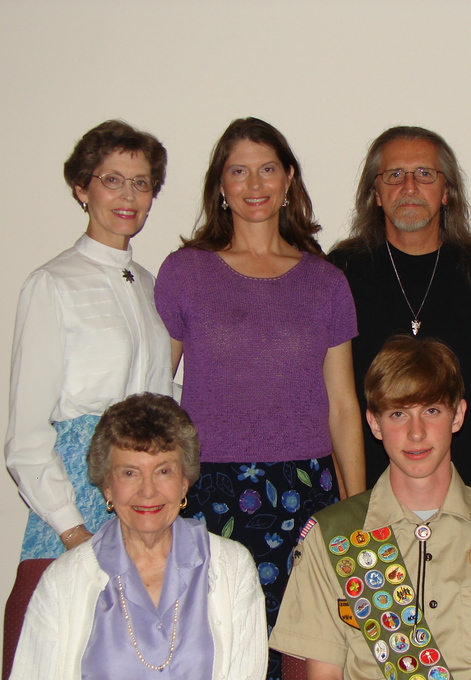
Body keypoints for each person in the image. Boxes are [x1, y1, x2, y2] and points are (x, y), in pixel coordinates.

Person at [154, 117, 365, 680]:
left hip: (305, 490)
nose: (254, 183)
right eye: (238, 171)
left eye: (267, 168)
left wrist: (360, 504)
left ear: (289, 178)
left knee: (307, 649)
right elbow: (155, 398)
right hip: (207, 491)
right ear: (219, 186)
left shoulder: (325, 281)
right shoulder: (184, 273)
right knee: (217, 647)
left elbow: (342, 406)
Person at [269, 336, 471, 680]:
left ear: (458, 415)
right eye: (398, 414)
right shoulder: (332, 537)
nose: (415, 433)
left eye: (431, 411)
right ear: (374, 423)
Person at [6, 120, 173, 561]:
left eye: (141, 183)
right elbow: (26, 436)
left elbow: (161, 394)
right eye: (112, 180)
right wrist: (70, 528)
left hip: (147, 499)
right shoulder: (53, 284)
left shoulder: (149, 284)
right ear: (83, 188)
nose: (129, 196)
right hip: (80, 497)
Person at [10, 393, 267, 679]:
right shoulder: (64, 581)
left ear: (184, 483)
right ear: (107, 487)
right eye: (130, 473)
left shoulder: (232, 569)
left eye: (163, 471)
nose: (148, 491)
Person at [330, 126, 471, 498]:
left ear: (447, 192)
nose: (409, 187)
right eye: (394, 175)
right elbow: (336, 397)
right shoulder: (341, 273)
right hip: (370, 485)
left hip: (469, 480)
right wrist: (347, 493)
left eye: (425, 174)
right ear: (375, 194)